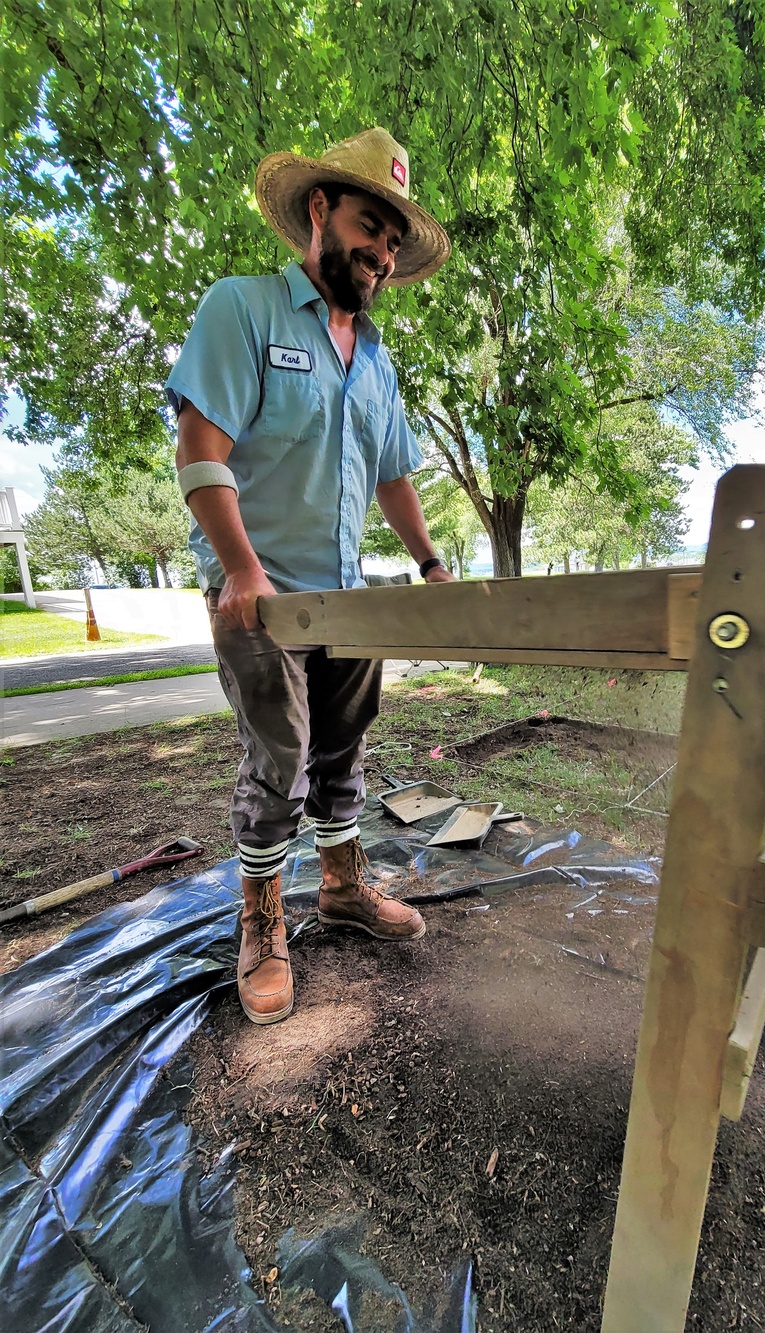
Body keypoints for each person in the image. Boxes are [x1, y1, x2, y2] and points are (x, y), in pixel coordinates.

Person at [166, 127, 455, 1026]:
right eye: (373, 225)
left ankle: (340, 887)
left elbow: (394, 474)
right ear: (321, 211)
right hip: (260, 595)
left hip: (345, 596)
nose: (381, 252)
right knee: (280, 755)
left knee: (346, 749)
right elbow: (200, 448)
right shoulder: (242, 310)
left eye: (395, 242)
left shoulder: (377, 362)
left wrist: (432, 561)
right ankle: (261, 917)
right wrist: (242, 566)